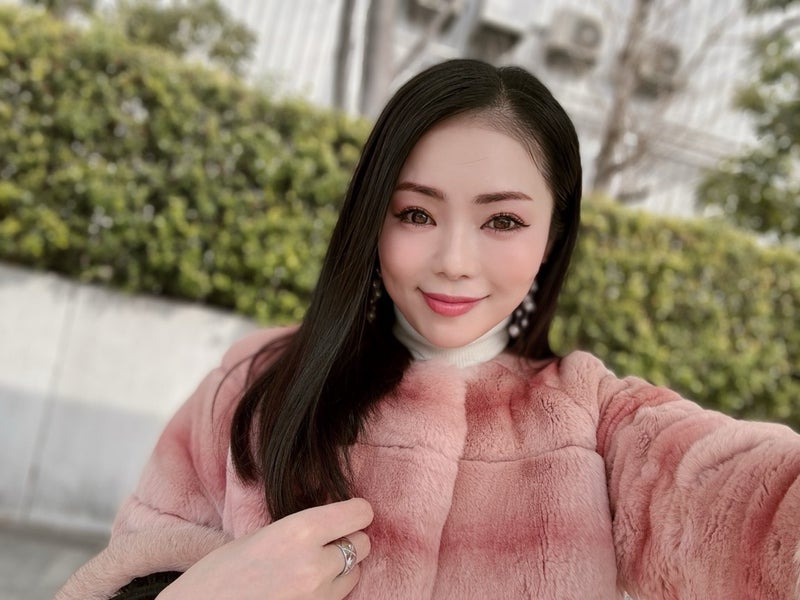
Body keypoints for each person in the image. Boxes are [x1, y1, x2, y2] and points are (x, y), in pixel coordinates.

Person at [57, 58, 800, 600]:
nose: (453, 261)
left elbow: (756, 507)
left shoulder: (600, 422)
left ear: (552, 234)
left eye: (502, 220)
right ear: (372, 217)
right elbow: (130, 570)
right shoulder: (257, 383)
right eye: (415, 212)